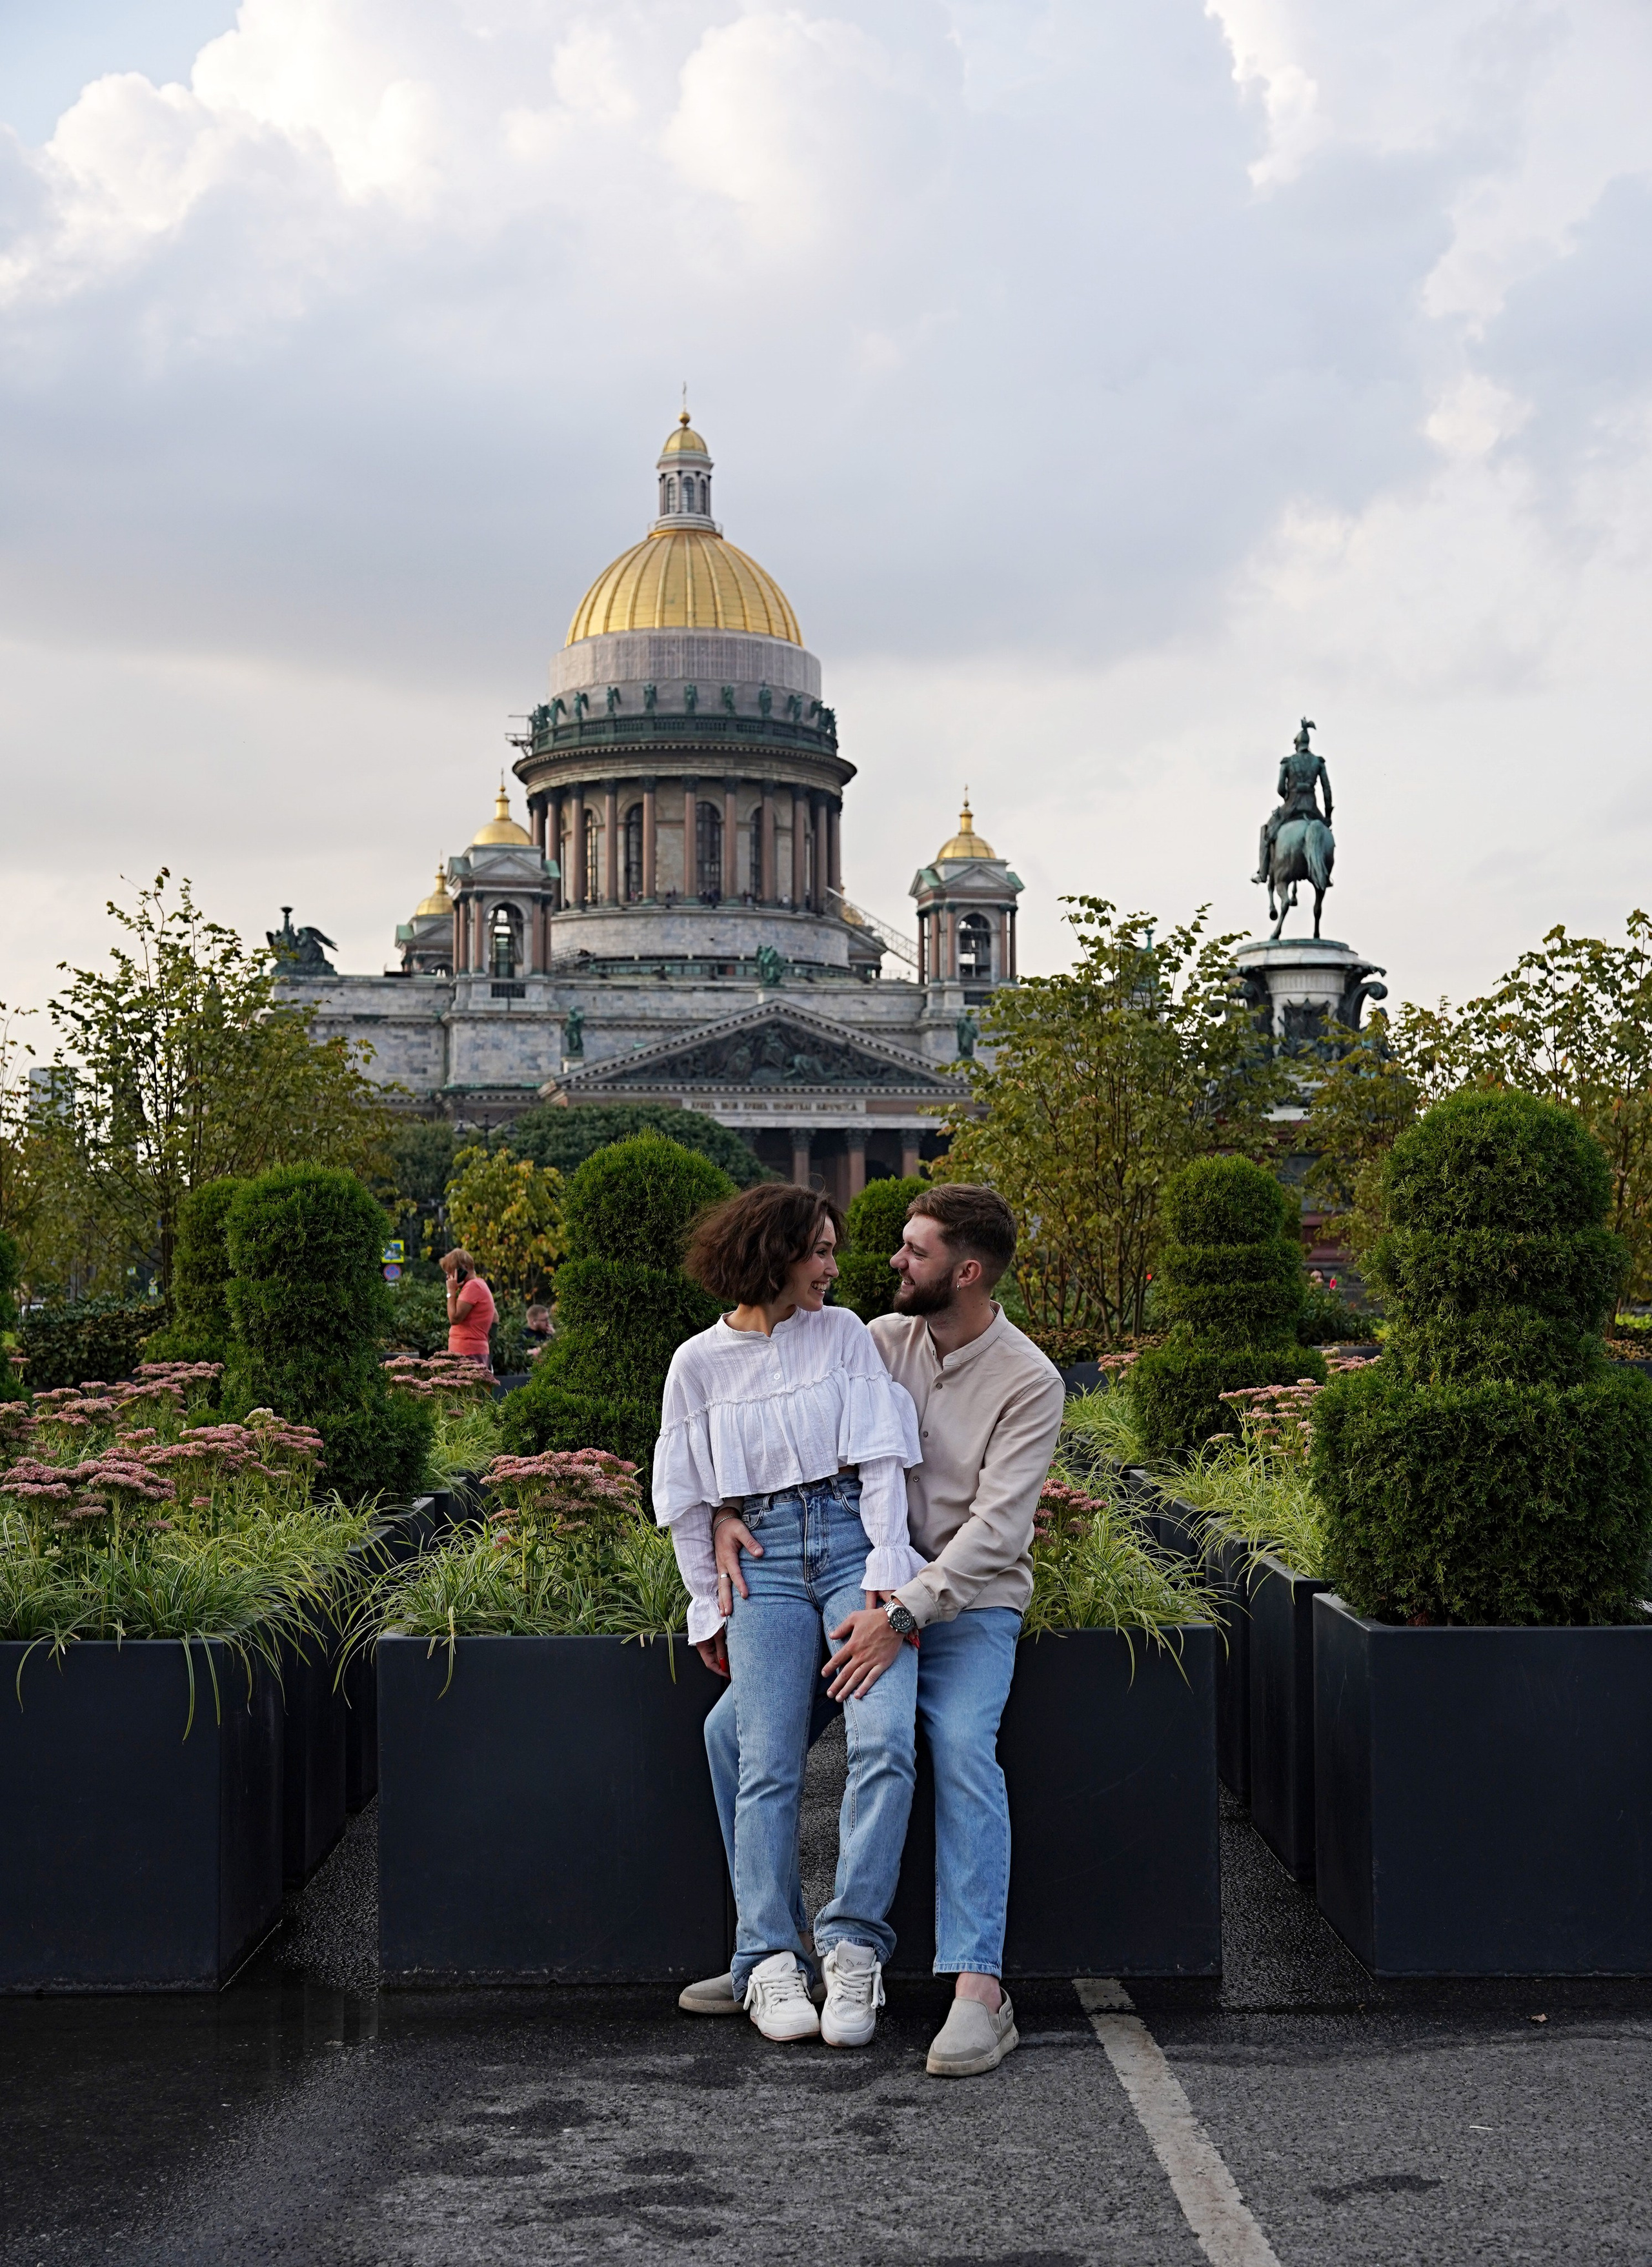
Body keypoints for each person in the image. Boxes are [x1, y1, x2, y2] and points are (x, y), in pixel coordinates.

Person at [682, 1182, 1065, 2081]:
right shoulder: (874, 1338)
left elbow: (997, 1535)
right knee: (727, 1732)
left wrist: (901, 1612)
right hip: (852, 1589)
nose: (891, 1261)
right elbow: (773, 1423)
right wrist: (724, 1515)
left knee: (962, 1743)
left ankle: (980, 1991)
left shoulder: (1029, 1380)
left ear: (965, 1272)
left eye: (915, 1250)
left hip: (960, 1608)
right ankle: (764, 1952)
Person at [654, 1183, 926, 2048]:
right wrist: (708, 1605)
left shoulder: (843, 1335)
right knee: (764, 1759)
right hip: (762, 1558)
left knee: (884, 1738)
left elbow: (882, 1457)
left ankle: (851, 1945)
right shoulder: (697, 1363)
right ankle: (769, 1958)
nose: (834, 1268)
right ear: (773, 1255)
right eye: (819, 1251)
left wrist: (886, 1568)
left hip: (853, 1543)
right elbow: (689, 1498)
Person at [441, 1247, 496, 1366]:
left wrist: (451, 1292)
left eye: (450, 1272)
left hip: (468, 1352)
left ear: (463, 1268)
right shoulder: (479, 1285)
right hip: (471, 1350)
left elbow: (454, 1318)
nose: (448, 1277)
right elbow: (495, 1316)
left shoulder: (473, 1286)